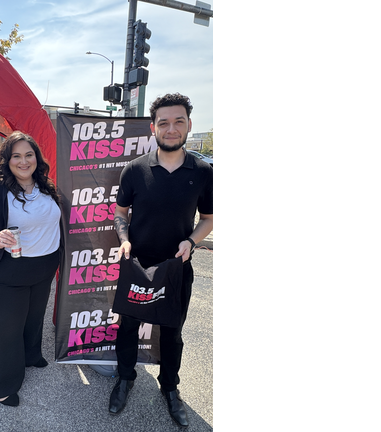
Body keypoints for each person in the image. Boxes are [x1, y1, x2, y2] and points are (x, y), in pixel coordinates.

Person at [108, 93, 213, 427]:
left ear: (189, 125)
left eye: (178, 122)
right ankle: (125, 379)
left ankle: (170, 388)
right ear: (153, 127)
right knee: (128, 327)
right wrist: (124, 239)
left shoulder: (203, 171)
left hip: (176, 268)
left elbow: (208, 219)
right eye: (164, 123)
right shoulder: (135, 170)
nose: (171, 129)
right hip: (137, 267)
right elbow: (120, 212)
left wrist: (191, 241)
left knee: (172, 333)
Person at [0, 131, 62, 407]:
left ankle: (31, 356)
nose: (24, 161)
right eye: (16, 156)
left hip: (42, 269)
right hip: (4, 274)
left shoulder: (45, 185)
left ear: (37, 157)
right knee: (6, 330)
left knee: (33, 319)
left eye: (29, 155)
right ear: (6, 160)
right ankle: (4, 385)